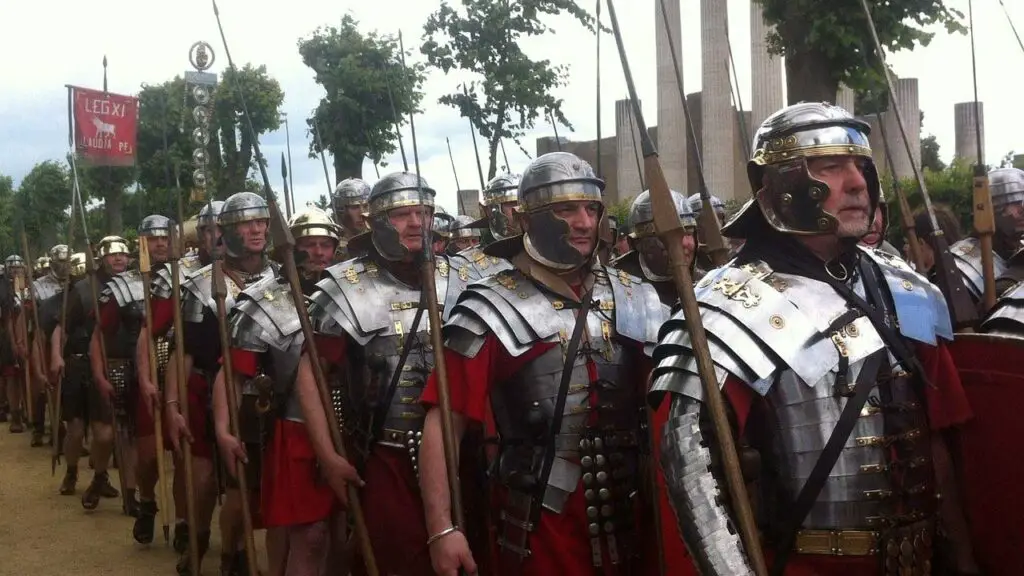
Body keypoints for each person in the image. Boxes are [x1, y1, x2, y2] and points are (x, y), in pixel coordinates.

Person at [650, 102, 978, 575]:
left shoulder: (903, 286)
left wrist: (963, 559)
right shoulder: (723, 307)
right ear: (780, 188)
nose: (858, 182)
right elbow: (689, 467)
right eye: (831, 166)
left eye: (861, 165)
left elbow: (943, 434)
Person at [419, 151, 668, 575]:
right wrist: (442, 529)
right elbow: (444, 425)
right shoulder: (489, 307)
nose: (585, 222)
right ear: (527, 218)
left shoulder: (635, 296)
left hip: (630, 509)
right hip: (540, 518)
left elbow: (665, 411)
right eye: (566, 209)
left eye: (591, 208)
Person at [292, 171, 460, 575]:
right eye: (403, 214)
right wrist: (329, 456)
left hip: (461, 447)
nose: (417, 222)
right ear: (377, 221)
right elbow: (311, 374)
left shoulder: (464, 278)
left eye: (424, 212)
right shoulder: (346, 288)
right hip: (387, 453)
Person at [222, 206, 341, 575]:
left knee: (338, 535)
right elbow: (232, 375)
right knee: (301, 530)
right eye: (309, 244)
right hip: (292, 430)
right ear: (291, 248)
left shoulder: (352, 291)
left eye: (326, 245)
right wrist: (222, 430)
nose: (318, 253)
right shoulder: (265, 301)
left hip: (351, 427)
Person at [164, 192, 278, 576]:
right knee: (209, 478)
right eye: (248, 223)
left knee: (247, 484)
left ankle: (236, 552)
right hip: (212, 389)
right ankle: (200, 540)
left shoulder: (281, 276)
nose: (257, 228)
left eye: (261, 221)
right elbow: (183, 355)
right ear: (229, 230)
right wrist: (173, 406)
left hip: (264, 394)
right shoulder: (199, 286)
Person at [140, 201, 222, 554]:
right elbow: (151, 332)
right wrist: (148, 380)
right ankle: (184, 520)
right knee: (186, 463)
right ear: (200, 234)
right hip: (182, 372)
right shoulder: (178, 274)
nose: (218, 237)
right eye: (210, 230)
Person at [95, 215, 173, 542]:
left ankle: (184, 525)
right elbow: (99, 334)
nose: (159, 244)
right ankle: (147, 500)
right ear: (141, 243)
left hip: (184, 373)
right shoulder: (122, 285)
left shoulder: (190, 276)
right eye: (152, 238)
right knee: (148, 455)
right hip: (140, 374)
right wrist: (100, 374)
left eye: (165, 238)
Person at [50, 237, 129, 509]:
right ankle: (72, 471)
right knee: (75, 430)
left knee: (105, 433)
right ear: (102, 259)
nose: (118, 259)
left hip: (112, 366)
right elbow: (61, 329)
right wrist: (56, 356)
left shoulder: (134, 285)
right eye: (112, 255)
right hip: (79, 363)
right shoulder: (83, 290)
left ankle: (99, 476)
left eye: (123, 255)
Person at [610, 188, 696, 305]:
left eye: (689, 233)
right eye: (666, 236)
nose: (685, 243)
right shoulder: (615, 287)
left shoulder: (704, 284)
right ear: (637, 243)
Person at [950, 167, 1024, 300]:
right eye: (1015, 202)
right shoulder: (960, 265)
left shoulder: (1020, 249)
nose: (1022, 210)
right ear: (992, 208)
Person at [27, 245, 71, 446]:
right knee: (44, 387)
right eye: (60, 261)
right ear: (52, 262)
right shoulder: (38, 286)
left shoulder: (76, 283)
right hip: (42, 339)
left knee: (67, 390)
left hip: (70, 341)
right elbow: (27, 317)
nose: (64, 265)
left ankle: (64, 431)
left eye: (67, 260)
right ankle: (39, 426)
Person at [2, 255, 29, 433]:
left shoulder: (33, 286)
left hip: (31, 334)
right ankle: (16, 413)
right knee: (11, 376)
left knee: (29, 377)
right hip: (7, 334)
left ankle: (32, 413)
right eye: (12, 268)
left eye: (18, 268)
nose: (15, 271)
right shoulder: (2, 288)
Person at [905, 204, 963, 281]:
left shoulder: (939, 280)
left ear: (921, 243)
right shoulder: (964, 265)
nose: (908, 248)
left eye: (910, 242)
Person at [332, 178, 371, 261]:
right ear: (341, 210)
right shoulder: (332, 247)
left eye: (366, 206)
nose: (362, 213)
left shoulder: (380, 240)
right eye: (354, 207)